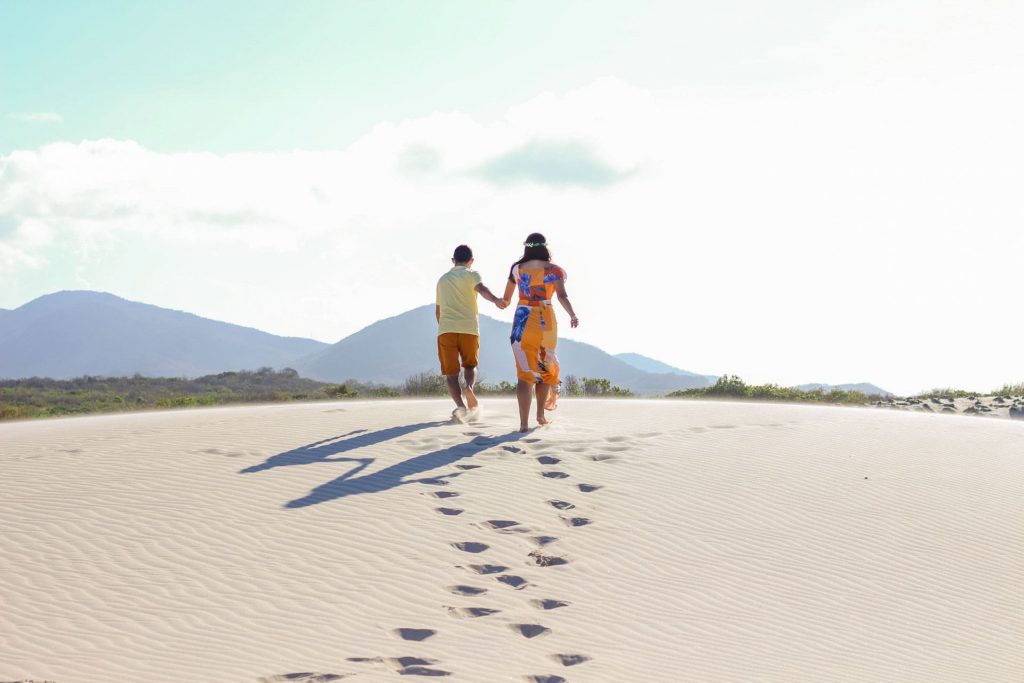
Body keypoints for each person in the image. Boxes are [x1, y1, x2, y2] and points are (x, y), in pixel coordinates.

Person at [500, 233, 578, 432]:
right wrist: (572, 315)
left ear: (526, 247)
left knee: (524, 374)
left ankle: (523, 424)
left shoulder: (516, 269)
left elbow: (506, 299)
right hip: (546, 319)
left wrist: (496, 300)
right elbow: (561, 295)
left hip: (522, 319)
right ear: (545, 247)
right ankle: (540, 415)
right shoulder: (554, 270)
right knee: (544, 368)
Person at [436, 244, 506, 422]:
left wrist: (444, 326)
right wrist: (496, 300)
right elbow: (482, 289)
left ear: (453, 261)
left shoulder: (442, 280)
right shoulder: (472, 274)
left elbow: (438, 310)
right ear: (471, 261)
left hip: (446, 330)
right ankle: (469, 387)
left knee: (451, 374)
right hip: (469, 329)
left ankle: (460, 408)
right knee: (470, 365)